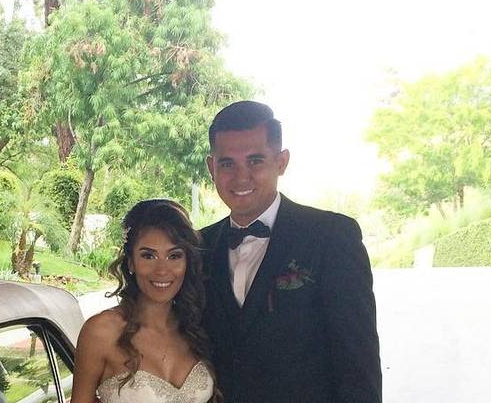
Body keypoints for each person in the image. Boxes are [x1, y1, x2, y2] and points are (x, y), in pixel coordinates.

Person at [199, 100, 382, 403]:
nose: (241, 177)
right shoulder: (197, 247)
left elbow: (358, 362)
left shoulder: (331, 237)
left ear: (281, 162)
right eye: (227, 163)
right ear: (211, 167)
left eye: (255, 160)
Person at [71, 199, 216, 403]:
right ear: (131, 261)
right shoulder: (101, 331)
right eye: (148, 256)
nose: (162, 271)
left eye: (174, 256)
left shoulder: (196, 326)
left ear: (186, 262)